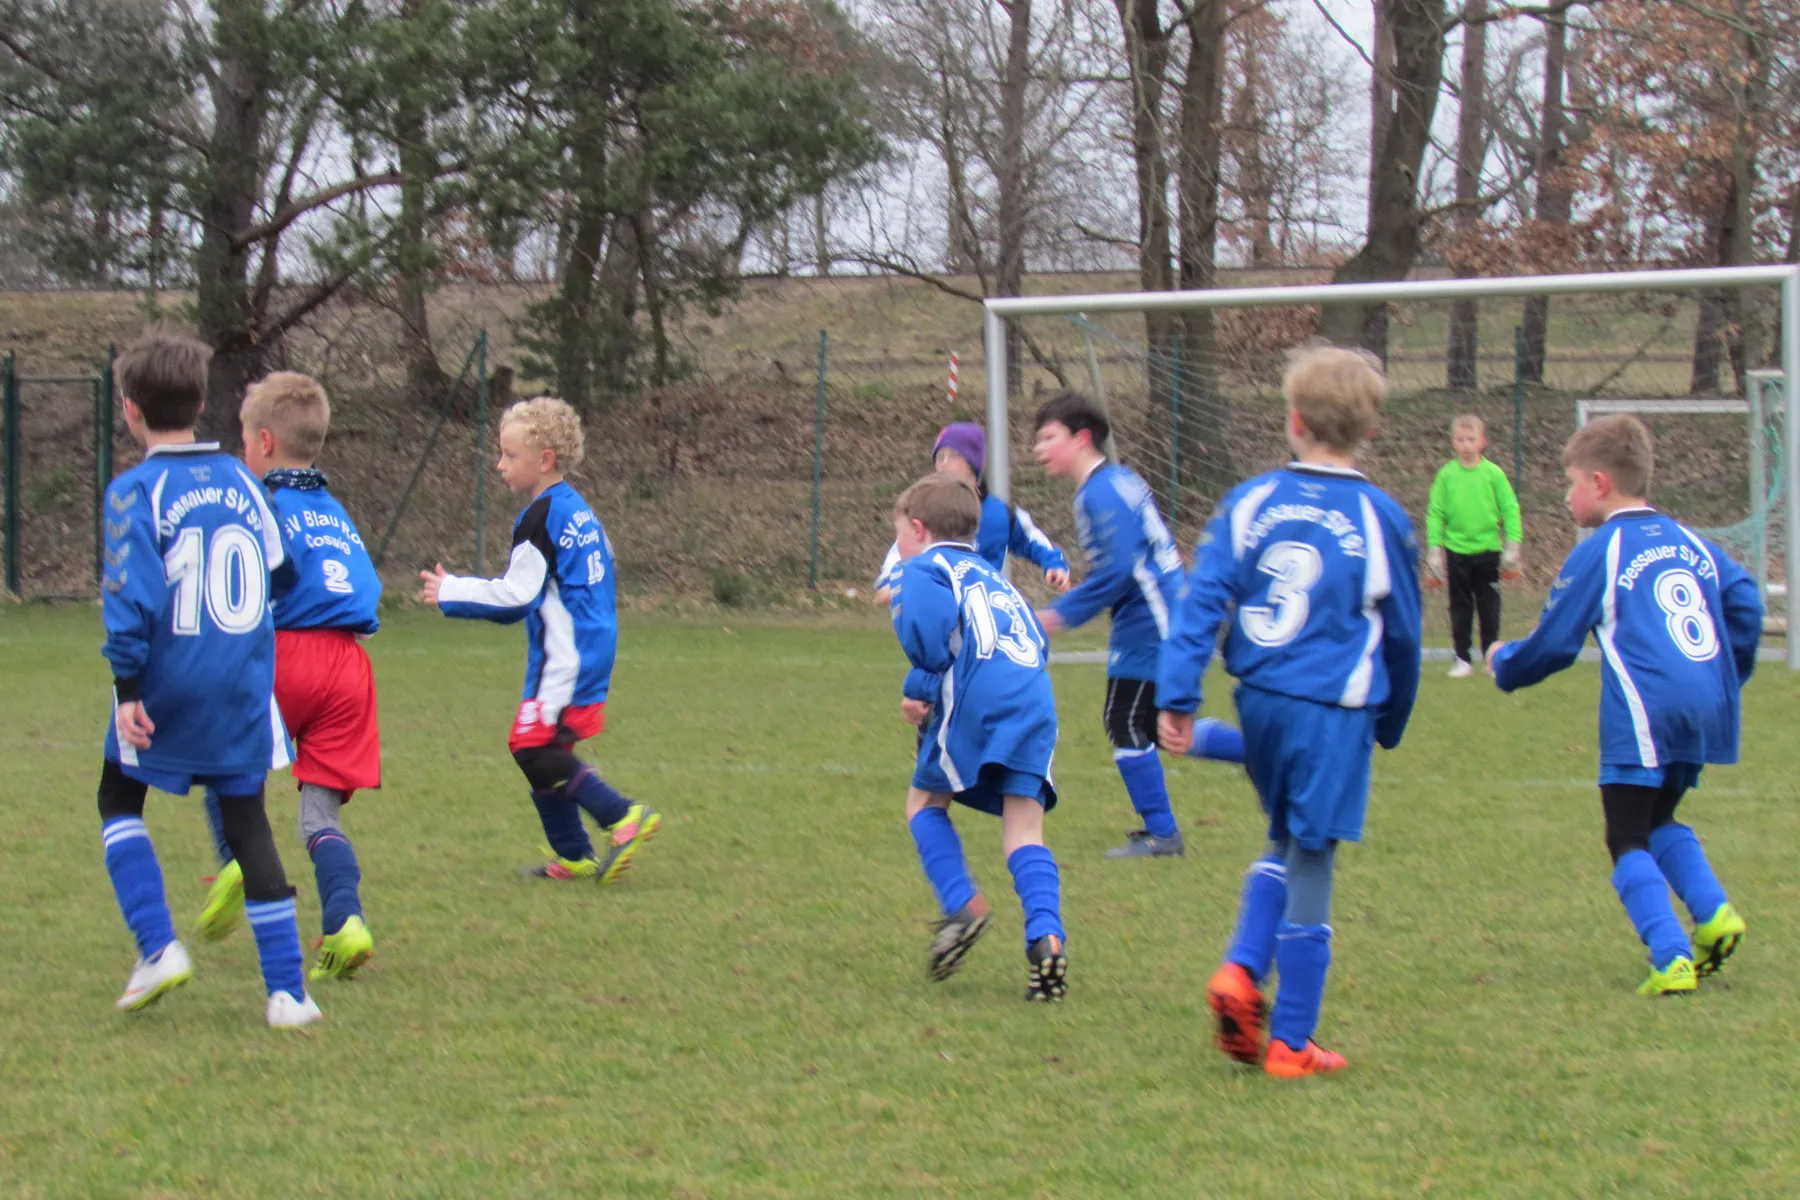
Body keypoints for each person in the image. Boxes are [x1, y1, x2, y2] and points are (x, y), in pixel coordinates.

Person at [1156, 346, 1421, 1078]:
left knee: (1284, 836)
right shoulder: (1381, 518)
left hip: (1260, 700)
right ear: (1370, 431)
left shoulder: (1250, 502)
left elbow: (1201, 601)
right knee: (1313, 856)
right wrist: (1392, 719)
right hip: (1332, 708)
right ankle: (1292, 1040)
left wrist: (1177, 694)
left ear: (1294, 421)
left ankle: (1242, 973)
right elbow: (1403, 634)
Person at [1488, 414, 1759, 996]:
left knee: (1625, 836)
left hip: (1646, 711)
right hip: (1703, 707)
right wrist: (1725, 674)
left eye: (1571, 483)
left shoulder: (1603, 551)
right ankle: (1714, 914)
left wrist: (1504, 662)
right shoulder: (1692, 542)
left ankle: (1671, 957)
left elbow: (1554, 644)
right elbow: (1748, 603)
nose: (1566, 497)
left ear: (1601, 483)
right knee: (1658, 819)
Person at [96, 332, 321, 1028]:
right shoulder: (244, 481)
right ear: (200, 405)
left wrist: (128, 688)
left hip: (169, 680)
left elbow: (130, 598)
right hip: (242, 685)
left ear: (130, 410)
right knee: (246, 819)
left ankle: (158, 948)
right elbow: (284, 570)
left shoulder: (135, 491)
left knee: (118, 797)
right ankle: (288, 995)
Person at [421, 396, 661, 880]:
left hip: (567, 653)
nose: (500, 464)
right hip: (590, 643)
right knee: (545, 748)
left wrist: (452, 591)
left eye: (510, 455)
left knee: (530, 746)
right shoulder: (578, 510)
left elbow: (517, 597)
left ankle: (622, 816)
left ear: (545, 459)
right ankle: (574, 856)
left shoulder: (540, 518)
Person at [193, 372, 381, 983]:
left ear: (265, 442)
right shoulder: (335, 511)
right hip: (349, 667)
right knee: (320, 819)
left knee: (223, 763)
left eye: (245, 439)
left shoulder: (256, 504)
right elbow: (366, 588)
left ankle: (236, 862)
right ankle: (346, 923)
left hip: (282, 655)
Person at [1031, 392, 1245, 859]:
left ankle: (1163, 835)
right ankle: (1262, 753)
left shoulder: (1100, 492)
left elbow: (1120, 571)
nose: (1038, 448)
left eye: (1048, 437)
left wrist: (1057, 615)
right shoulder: (1116, 480)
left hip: (1153, 615)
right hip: (1151, 610)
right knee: (1148, 722)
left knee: (1126, 719)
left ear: (1081, 438)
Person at [889, 472, 1068, 1000]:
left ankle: (962, 904)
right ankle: (1047, 938)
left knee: (924, 803)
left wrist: (919, 689)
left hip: (979, 697)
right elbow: (1034, 640)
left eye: (898, 537)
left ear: (917, 529)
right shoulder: (995, 576)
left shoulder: (925, 568)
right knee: (1025, 830)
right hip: (1035, 698)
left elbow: (930, 638)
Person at [874, 422, 1070, 602]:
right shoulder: (925, 512)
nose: (944, 463)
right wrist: (890, 581)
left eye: (954, 456)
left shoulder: (1000, 514)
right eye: (939, 457)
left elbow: (1033, 540)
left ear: (973, 463)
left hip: (985, 611)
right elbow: (901, 548)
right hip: (937, 610)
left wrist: (1055, 565)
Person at [1426, 414, 1523, 677]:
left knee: (1489, 607)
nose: (1466, 445)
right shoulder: (1446, 475)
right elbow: (1436, 512)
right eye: (1461, 440)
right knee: (1460, 607)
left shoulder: (1493, 474)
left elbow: (1510, 509)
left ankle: (1491, 659)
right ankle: (1462, 658)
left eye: (1471, 439)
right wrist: (1434, 549)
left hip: (1488, 550)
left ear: (1482, 442)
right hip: (1456, 551)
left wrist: (1513, 545)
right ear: (1453, 442)